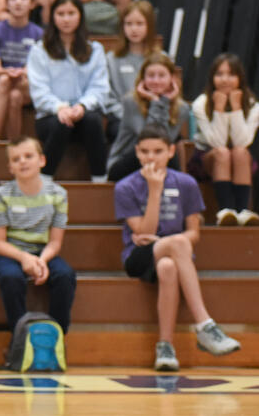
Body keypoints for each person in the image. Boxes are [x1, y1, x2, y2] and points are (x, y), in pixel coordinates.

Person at [115, 125, 242, 371]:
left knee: (168, 265)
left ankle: (165, 346)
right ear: (137, 153)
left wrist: (167, 243)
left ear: (171, 151)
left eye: (158, 151)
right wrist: (154, 190)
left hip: (174, 255)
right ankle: (205, 324)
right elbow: (144, 232)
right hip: (138, 256)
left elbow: (194, 233)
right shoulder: (125, 187)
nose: (151, 157)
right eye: (145, 152)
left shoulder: (186, 184)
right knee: (178, 243)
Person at [0, 137, 75, 339]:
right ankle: (20, 339)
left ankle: (57, 338)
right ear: (10, 167)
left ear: (42, 160)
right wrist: (24, 258)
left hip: (43, 251)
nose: (23, 162)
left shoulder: (58, 194)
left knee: (65, 276)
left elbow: (55, 242)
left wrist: (41, 261)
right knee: (11, 278)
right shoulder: (2, 194)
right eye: (16, 159)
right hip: (10, 252)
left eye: (28, 156)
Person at [27, 0, 110, 181]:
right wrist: (60, 108)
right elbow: (39, 90)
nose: (66, 19)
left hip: (84, 114)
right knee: (61, 123)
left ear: (80, 15)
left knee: (93, 121)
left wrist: (81, 106)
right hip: (50, 116)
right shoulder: (39, 50)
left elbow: (99, 87)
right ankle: (44, 180)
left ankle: (100, 180)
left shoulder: (95, 49)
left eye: (71, 13)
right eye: (60, 13)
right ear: (52, 17)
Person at [192, 53, 259, 226]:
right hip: (206, 158)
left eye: (231, 74)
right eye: (219, 74)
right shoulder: (201, 103)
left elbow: (243, 141)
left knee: (240, 152)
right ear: (212, 77)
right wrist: (219, 110)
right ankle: (226, 211)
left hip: (239, 159)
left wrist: (236, 108)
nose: (225, 79)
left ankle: (242, 212)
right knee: (223, 152)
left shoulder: (252, 104)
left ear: (240, 78)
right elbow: (217, 142)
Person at [107, 52, 188, 182]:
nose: (156, 81)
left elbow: (163, 142)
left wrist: (162, 102)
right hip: (125, 162)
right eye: (151, 76)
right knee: (153, 149)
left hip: (158, 161)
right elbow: (149, 138)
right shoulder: (131, 102)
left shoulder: (181, 108)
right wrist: (157, 102)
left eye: (161, 76)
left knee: (166, 153)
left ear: (172, 78)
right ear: (143, 78)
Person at [0, 0, 42, 143]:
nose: (18, 2)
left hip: (26, 82)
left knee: (16, 87)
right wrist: (9, 73)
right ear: (6, 4)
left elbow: (36, 68)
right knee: (11, 91)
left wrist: (22, 72)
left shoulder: (39, 33)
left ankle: (1, 138)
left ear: (32, 4)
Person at [107, 0, 160, 106]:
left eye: (140, 24)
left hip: (154, 117)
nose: (134, 29)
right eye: (129, 24)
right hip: (121, 118)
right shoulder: (111, 59)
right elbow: (108, 98)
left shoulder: (161, 58)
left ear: (149, 26)